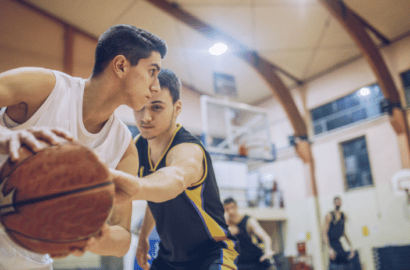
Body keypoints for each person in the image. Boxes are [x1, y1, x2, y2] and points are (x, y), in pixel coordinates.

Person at [0, 24, 167, 270]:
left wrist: (95, 238)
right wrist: (3, 135)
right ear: (121, 66)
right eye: (152, 71)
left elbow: (121, 237)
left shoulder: (124, 147)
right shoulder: (45, 87)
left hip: (30, 259)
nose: (155, 86)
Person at [113, 68, 238, 270]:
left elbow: (175, 179)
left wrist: (131, 187)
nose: (145, 117)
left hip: (211, 254)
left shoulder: (190, 150)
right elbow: (157, 195)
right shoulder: (139, 146)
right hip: (169, 258)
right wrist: (144, 235)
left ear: (177, 108)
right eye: (139, 108)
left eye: (156, 107)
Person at [223, 197, 275, 270]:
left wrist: (268, 250)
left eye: (232, 207)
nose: (230, 211)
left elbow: (265, 237)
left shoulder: (248, 221)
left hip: (255, 260)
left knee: (268, 263)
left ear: (236, 207)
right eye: (227, 209)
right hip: (240, 263)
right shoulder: (226, 224)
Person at [322, 196, 355, 269]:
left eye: (339, 202)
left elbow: (343, 232)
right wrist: (329, 249)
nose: (338, 203)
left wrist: (350, 246)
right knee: (335, 265)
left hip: (338, 242)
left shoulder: (344, 216)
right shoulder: (329, 215)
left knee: (347, 263)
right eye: (336, 202)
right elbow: (324, 233)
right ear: (334, 203)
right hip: (331, 243)